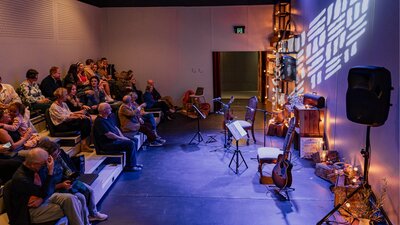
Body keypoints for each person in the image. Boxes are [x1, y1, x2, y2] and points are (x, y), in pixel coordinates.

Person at [8, 147, 87, 225]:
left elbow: (47, 190)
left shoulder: (37, 168)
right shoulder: (21, 178)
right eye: (44, 164)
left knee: (73, 198)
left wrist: (41, 198)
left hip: (43, 198)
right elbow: (46, 191)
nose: (46, 165)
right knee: (74, 204)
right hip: (28, 211)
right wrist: (50, 171)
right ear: (33, 164)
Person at [38, 139, 108, 222]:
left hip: (64, 182)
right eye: (54, 155)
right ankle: (85, 221)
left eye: (58, 153)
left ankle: (93, 214)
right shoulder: (42, 167)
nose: (57, 156)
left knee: (89, 190)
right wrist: (61, 185)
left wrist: (71, 176)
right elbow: (46, 187)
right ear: (48, 156)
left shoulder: (58, 157)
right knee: (81, 197)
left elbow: (66, 169)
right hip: (55, 189)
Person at [93, 103, 142, 171]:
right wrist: (122, 138)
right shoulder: (99, 121)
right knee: (130, 143)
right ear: (104, 111)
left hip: (115, 140)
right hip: (107, 144)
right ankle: (130, 166)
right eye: (109, 108)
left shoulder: (108, 117)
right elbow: (109, 135)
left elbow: (115, 128)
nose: (111, 109)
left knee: (135, 140)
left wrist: (122, 136)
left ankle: (133, 163)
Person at [49, 88, 93, 152]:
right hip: (61, 126)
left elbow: (69, 113)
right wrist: (78, 116)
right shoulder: (54, 107)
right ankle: (84, 145)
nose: (67, 96)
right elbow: (65, 118)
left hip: (67, 122)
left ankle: (87, 142)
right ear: (60, 96)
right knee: (84, 121)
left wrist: (79, 114)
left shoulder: (64, 104)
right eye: (65, 95)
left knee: (85, 118)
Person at [0, 109, 32, 184]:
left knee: (46, 143)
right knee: (34, 156)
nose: (8, 114)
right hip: (13, 151)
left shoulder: (11, 124)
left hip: (20, 147)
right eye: (6, 113)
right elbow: (11, 146)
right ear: (1, 118)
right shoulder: (1, 130)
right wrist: (25, 138)